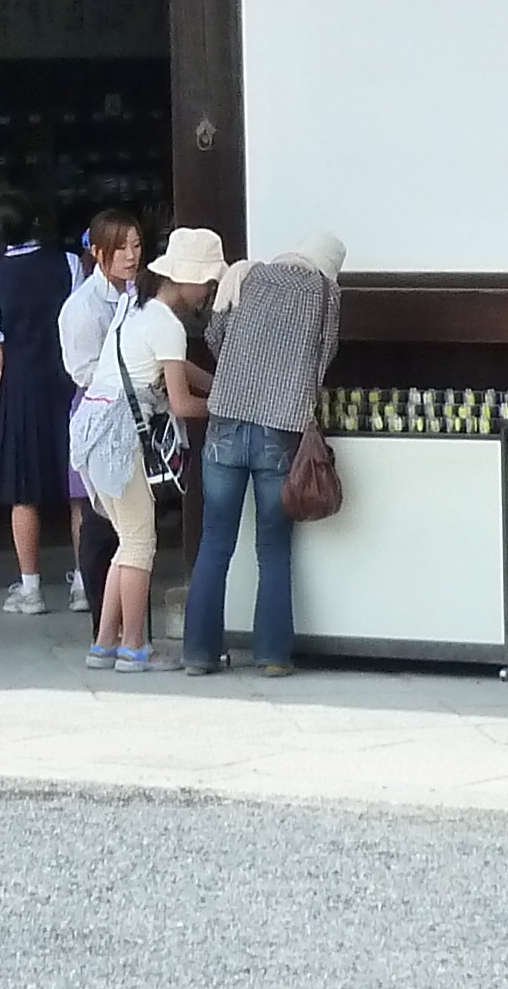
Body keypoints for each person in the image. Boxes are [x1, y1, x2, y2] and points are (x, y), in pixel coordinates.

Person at [184, 234, 346, 680]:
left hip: (225, 420)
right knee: (273, 549)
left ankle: (199, 653)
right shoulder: (324, 293)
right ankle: (272, 655)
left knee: (214, 543)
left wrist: (248, 364)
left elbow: (217, 336)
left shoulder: (252, 275)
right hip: (280, 425)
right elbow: (322, 358)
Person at [75, 223, 217, 673]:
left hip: (91, 432)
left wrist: (218, 385)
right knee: (140, 543)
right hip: (120, 438)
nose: (209, 292)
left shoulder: (137, 312)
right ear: (188, 278)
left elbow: (179, 369)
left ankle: (105, 644)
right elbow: (181, 402)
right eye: (208, 283)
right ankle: (136, 647)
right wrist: (227, 403)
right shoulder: (168, 326)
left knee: (126, 542)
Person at [0, 200, 80, 614]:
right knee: (78, 491)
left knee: (23, 491)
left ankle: (31, 588)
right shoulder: (70, 264)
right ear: (35, 223)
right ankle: (85, 583)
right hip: (68, 382)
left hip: (19, 387)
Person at [59, 207, 147, 633]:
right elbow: (82, 370)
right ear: (97, 253)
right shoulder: (83, 306)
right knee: (101, 521)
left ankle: (122, 624)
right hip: (100, 413)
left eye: (136, 246)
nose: (131, 256)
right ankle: (103, 624)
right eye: (120, 247)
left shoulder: (138, 295)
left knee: (128, 524)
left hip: (135, 413)